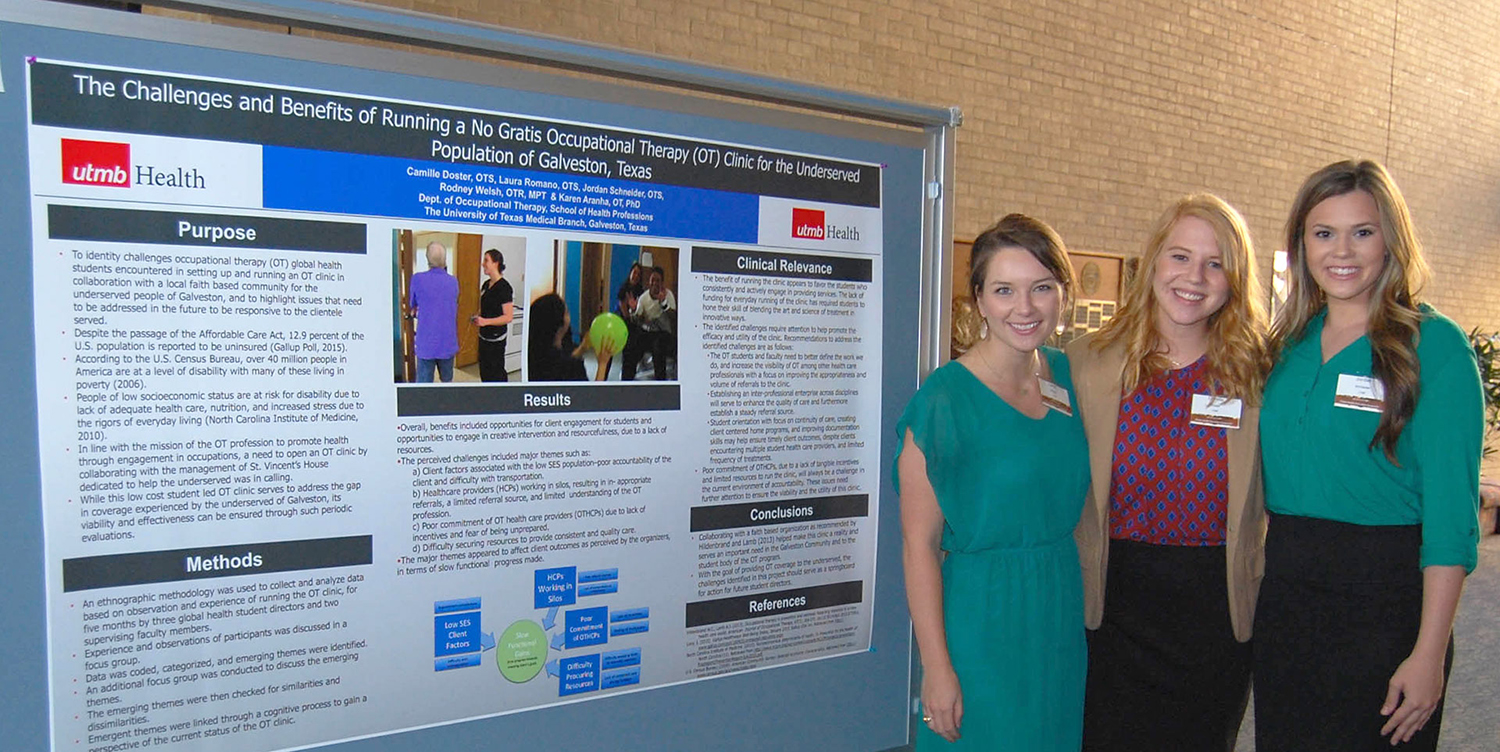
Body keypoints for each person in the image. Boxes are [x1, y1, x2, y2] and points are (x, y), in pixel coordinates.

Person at [1254, 160, 1482, 751]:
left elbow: (1452, 519)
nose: (1341, 251)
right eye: (1323, 233)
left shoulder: (1434, 346)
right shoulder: (1287, 346)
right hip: (1288, 600)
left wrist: (1428, 653)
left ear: (1391, 240)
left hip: (1384, 604)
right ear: (1301, 245)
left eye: (1363, 231)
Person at [1067, 194, 1269, 752]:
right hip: (1111, 605)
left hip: (1215, 611)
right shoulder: (1085, 361)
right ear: (1153, 261)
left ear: (1234, 279)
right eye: (1180, 256)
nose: (1194, 277)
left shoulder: (1258, 372)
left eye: (1215, 263)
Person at [895, 214, 1088, 750]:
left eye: (1041, 288)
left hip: (1057, 612)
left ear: (1062, 295)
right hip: (981, 619)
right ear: (978, 300)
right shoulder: (943, 400)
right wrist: (937, 668)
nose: (1024, 308)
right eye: (1004, 290)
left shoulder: (1068, 378)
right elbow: (919, 546)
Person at [526, 293, 613, 382]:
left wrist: (582, 349)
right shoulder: (571, 367)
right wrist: (603, 364)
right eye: (566, 312)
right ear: (560, 322)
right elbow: (591, 394)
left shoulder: (532, 356)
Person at [408, 241, 459, 382]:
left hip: (426, 343)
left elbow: (412, 305)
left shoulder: (417, 279)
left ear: (427, 259)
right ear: (445, 260)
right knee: (447, 382)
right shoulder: (453, 281)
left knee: (424, 386)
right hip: (447, 342)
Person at [623, 266, 676, 380]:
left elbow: (673, 317)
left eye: (658, 280)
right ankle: (626, 380)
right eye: (653, 280)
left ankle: (660, 382)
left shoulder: (668, 295)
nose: (655, 283)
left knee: (658, 347)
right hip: (647, 333)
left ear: (662, 282)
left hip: (663, 333)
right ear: (649, 281)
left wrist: (663, 303)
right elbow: (637, 320)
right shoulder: (643, 298)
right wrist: (633, 309)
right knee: (632, 345)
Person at [472, 249, 515, 382]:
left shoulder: (505, 288)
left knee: (496, 373)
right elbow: (487, 307)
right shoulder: (486, 284)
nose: (483, 264)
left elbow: (508, 317)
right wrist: (478, 317)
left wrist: (486, 322)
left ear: (496, 263)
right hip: (483, 337)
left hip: (496, 340)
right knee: (484, 371)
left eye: (486, 260)